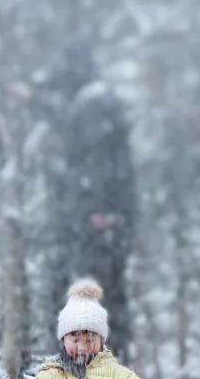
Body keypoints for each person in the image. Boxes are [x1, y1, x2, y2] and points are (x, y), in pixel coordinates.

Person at [28, 39, 139, 361]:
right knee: (94, 288)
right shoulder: (94, 103)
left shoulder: (94, 104)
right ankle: (102, 360)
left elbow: (93, 153)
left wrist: (101, 209)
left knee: (85, 289)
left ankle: (99, 362)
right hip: (96, 217)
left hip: (94, 219)